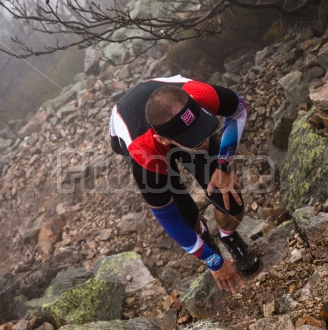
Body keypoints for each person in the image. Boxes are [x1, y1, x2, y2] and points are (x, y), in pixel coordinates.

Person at [109, 74, 259, 293]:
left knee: (230, 200)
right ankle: (205, 236)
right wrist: (212, 260)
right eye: (196, 138)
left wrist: (223, 165)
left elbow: (239, 109)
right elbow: (169, 220)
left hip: (169, 123)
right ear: (163, 140)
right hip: (139, 140)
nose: (206, 141)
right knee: (186, 218)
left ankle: (227, 235)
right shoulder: (144, 156)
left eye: (204, 129)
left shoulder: (198, 93)